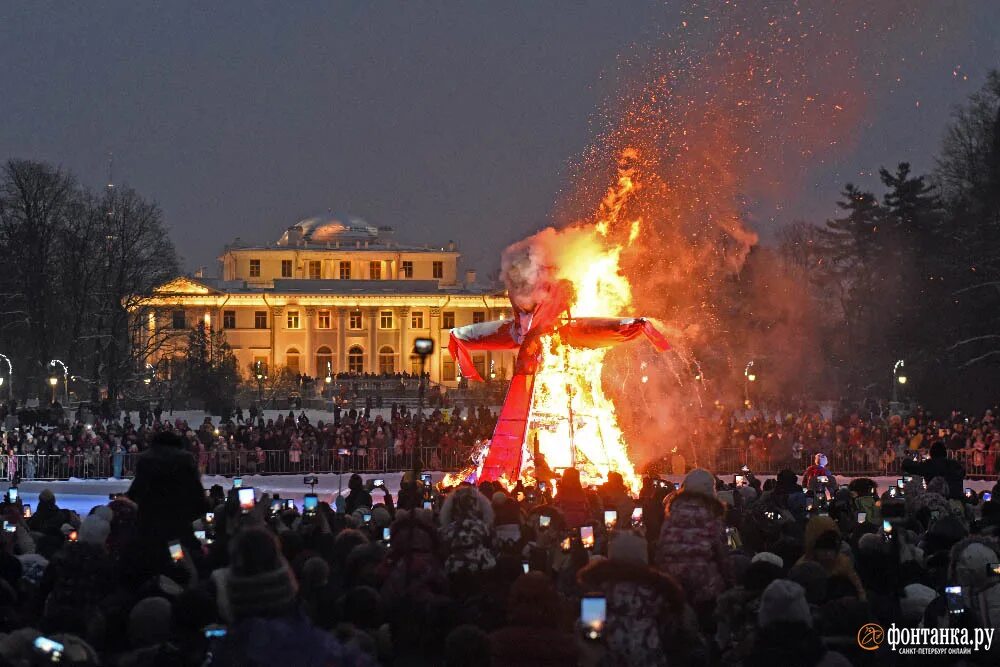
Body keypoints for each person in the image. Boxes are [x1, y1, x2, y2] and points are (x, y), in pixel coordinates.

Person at [656, 468, 731, 626]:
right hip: (705, 589)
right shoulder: (712, 515)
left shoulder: (671, 515)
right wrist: (730, 583)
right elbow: (721, 554)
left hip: (673, 585)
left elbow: (661, 551)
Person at [125, 430, 206, 577]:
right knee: (179, 565)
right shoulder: (185, 461)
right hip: (178, 527)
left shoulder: (146, 462)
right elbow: (198, 498)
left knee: (149, 568)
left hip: (149, 528)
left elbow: (135, 493)